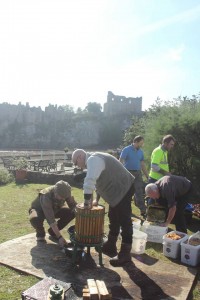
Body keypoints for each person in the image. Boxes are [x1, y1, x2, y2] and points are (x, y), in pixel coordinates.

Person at [72, 149, 135, 266]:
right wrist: (96, 200)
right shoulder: (93, 160)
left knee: (124, 220)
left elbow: (89, 181)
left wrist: (87, 203)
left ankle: (125, 254)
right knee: (113, 216)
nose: (78, 166)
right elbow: (99, 181)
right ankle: (111, 244)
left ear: (80, 157)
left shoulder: (93, 159)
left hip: (123, 188)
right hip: (117, 190)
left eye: (76, 163)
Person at [29, 180, 77, 247]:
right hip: (39, 210)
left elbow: (73, 207)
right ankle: (40, 234)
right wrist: (60, 237)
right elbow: (51, 219)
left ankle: (52, 232)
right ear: (55, 191)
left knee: (71, 213)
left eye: (64, 197)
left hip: (55, 209)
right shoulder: (46, 195)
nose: (62, 198)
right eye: (60, 196)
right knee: (35, 218)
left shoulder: (66, 192)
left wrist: (81, 216)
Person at [119, 135, 148, 217]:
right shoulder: (126, 149)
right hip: (128, 173)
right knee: (127, 192)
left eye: (142, 143)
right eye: (140, 143)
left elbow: (142, 164)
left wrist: (147, 176)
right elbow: (120, 161)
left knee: (139, 192)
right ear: (135, 142)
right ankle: (126, 209)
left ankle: (143, 210)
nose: (142, 145)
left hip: (138, 173)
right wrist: (120, 172)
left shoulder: (140, 152)